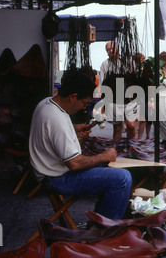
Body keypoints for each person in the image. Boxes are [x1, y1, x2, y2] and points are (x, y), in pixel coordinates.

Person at [29, 69, 132, 220]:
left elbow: (50, 131)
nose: (84, 108)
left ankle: (103, 217)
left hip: (48, 171)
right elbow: (75, 164)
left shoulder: (46, 103)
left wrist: (73, 129)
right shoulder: (57, 118)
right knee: (122, 178)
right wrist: (103, 156)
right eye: (84, 103)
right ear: (73, 97)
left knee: (117, 165)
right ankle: (105, 229)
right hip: (56, 177)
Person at [99, 41, 138, 140]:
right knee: (117, 128)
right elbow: (102, 84)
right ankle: (118, 148)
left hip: (128, 99)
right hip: (114, 101)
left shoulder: (127, 62)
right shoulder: (105, 64)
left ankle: (131, 146)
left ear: (118, 49)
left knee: (131, 125)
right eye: (108, 50)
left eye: (112, 48)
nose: (110, 51)